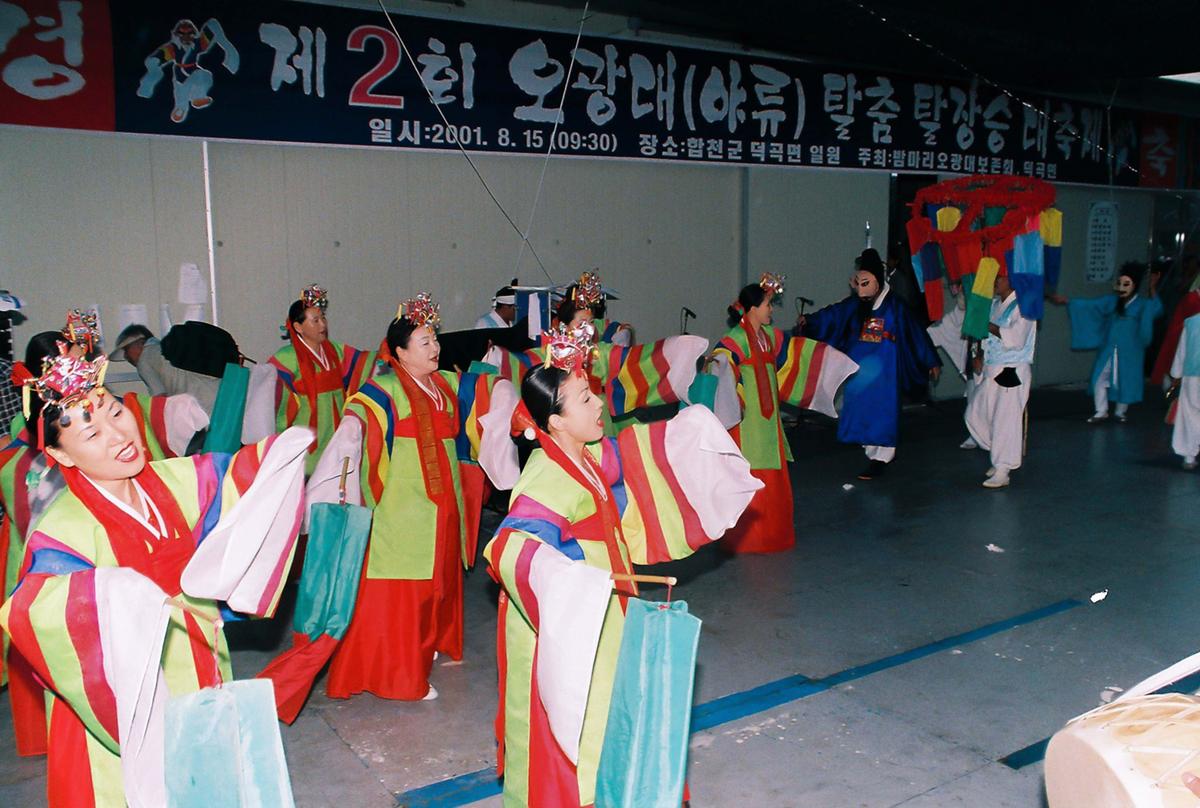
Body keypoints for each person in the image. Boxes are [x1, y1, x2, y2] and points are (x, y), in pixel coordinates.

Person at [0, 347, 306, 807]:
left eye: (117, 412)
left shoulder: (175, 479)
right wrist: (114, 594)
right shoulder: (63, 530)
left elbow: (235, 479)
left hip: (200, 670)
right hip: (124, 705)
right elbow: (33, 612)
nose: (118, 434)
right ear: (61, 456)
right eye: (92, 432)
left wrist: (279, 455)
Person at [481, 322, 760, 808]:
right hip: (574, 619)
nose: (598, 406)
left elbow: (633, 455)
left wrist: (689, 432)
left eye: (592, 394)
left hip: (608, 603)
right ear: (555, 421)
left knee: (614, 702)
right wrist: (566, 578)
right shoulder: (544, 475)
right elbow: (513, 545)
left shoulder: (586, 453)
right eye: (584, 400)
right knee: (578, 717)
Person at [324, 293, 500, 702]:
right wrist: (350, 434)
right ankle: (400, 676)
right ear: (400, 352)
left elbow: (486, 389)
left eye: (435, 339)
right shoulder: (384, 389)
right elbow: (359, 416)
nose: (436, 348)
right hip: (403, 506)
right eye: (425, 342)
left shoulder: (443, 384)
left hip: (441, 500)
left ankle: (430, 642)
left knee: (438, 580)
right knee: (403, 590)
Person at [713, 273, 858, 553]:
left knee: (772, 471)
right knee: (749, 469)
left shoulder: (770, 337)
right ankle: (747, 538)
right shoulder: (734, 339)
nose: (771, 310)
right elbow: (721, 363)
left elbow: (796, 354)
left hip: (768, 420)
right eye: (768, 304)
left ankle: (772, 534)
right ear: (753, 308)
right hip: (748, 420)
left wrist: (829, 361)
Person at [797, 249, 941, 479]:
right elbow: (834, 314)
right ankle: (872, 451)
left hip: (885, 369)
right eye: (859, 284)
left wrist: (930, 359)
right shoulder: (857, 305)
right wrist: (811, 320)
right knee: (859, 407)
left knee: (883, 411)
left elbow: (915, 333)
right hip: (860, 368)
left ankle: (881, 458)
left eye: (866, 283)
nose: (861, 290)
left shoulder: (896, 306)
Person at [270, 284, 375, 474]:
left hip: (335, 432)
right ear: (297, 327)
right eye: (315, 320)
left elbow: (363, 365)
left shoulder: (335, 350)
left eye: (323, 318)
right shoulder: (285, 358)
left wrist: (390, 354)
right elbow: (274, 400)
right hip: (306, 439)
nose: (323, 325)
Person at [1048, 261, 1163, 423]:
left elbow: (1157, 309)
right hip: (1109, 347)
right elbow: (1091, 305)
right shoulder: (1112, 301)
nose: (1122, 287)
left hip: (1130, 350)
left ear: (1134, 285)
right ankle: (1101, 410)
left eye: (1126, 284)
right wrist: (1068, 301)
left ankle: (1121, 411)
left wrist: (1152, 288)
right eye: (1120, 283)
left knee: (1126, 379)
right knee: (1100, 378)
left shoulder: (1142, 305)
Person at [962, 273, 1037, 488]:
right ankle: (998, 454)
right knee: (976, 413)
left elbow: (1016, 338)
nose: (995, 282)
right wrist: (980, 355)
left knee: (1006, 420)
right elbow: (986, 337)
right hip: (992, 368)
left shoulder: (1025, 306)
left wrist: (987, 325)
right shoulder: (995, 304)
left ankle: (1003, 468)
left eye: (1000, 278)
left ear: (1012, 280)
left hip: (1012, 369)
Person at [110, 324, 221, 415]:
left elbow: (160, 399)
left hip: (203, 406)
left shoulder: (144, 360)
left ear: (140, 343)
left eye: (126, 350)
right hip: (221, 390)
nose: (126, 357)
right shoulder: (165, 349)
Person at [556, 271, 632, 346]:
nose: (589, 329)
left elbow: (618, 328)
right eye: (582, 323)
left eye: (591, 322)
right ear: (564, 327)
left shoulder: (599, 352)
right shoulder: (552, 353)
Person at [1167, 312, 1200, 470]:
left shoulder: (1191, 322)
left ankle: (1189, 456)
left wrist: (1176, 374)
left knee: (1190, 413)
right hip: (1191, 374)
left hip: (1192, 374)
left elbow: (1182, 350)